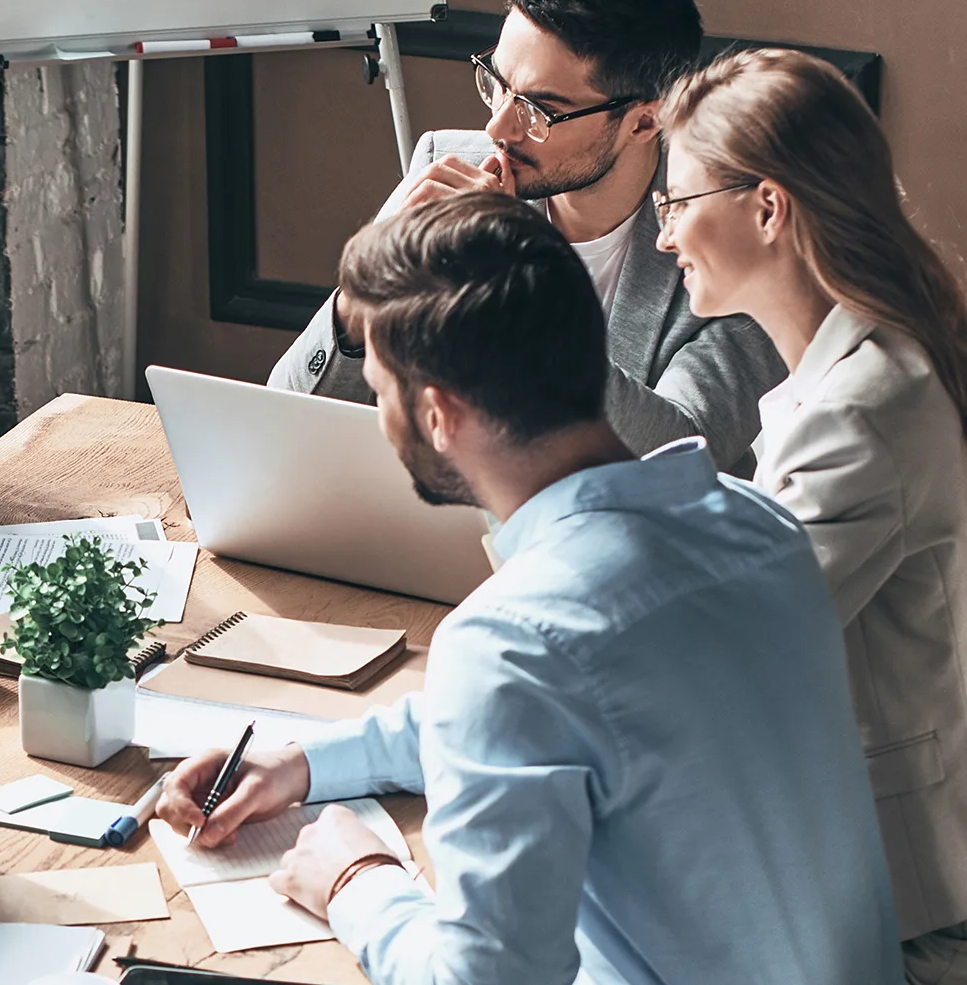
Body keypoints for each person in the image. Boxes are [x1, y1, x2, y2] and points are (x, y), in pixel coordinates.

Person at [163, 193, 899, 984]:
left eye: (380, 389)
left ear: (439, 414)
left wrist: (357, 881)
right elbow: (554, 709)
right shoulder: (761, 529)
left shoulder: (512, 643)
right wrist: (306, 760)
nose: (380, 415)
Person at [656, 47, 967, 981]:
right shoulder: (851, 372)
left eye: (675, 204)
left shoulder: (864, 408)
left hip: (906, 917)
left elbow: (724, 641)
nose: (664, 236)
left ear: (766, 206)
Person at [267, 0, 783, 476]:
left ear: (644, 121)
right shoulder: (444, 165)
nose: (497, 128)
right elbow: (290, 409)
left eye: (539, 109)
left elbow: (684, 453)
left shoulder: (738, 233)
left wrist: (510, 295)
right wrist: (363, 294)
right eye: (497, 83)